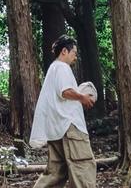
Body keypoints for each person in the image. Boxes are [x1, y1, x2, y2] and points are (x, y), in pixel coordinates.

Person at [29, 35, 96, 188]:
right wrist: (83, 97)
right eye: (74, 53)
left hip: (56, 129)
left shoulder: (53, 69)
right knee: (83, 167)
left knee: (56, 172)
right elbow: (65, 91)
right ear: (64, 51)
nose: (75, 57)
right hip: (69, 127)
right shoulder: (61, 67)